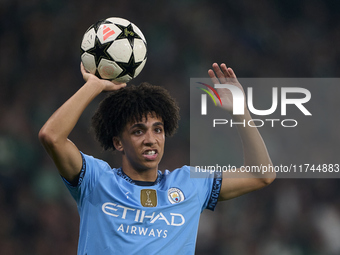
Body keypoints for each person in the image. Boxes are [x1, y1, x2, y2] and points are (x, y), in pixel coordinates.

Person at [39, 62, 275, 255]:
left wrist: (240, 111)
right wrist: (94, 86)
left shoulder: (190, 184)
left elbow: (261, 174)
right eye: (138, 131)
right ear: (118, 142)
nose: (151, 139)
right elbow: (52, 137)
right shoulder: (95, 180)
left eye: (158, 129)